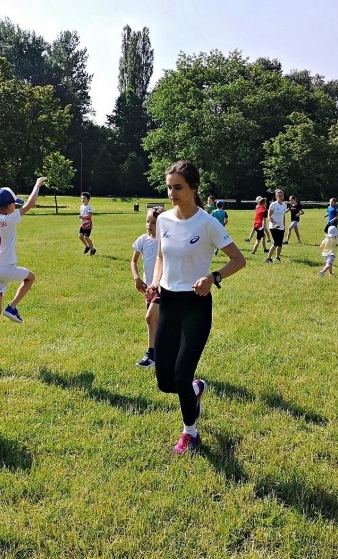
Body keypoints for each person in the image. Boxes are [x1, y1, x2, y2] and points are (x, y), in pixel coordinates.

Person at [146, 160, 246, 454]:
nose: (171, 193)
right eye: (169, 187)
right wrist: (154, 284)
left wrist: (213, 277)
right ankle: (196, 390)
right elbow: (162, 258)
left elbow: (239, 260)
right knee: (165, 381)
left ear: (193, 188)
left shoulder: (207, 223)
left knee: (181, 373)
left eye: (178, 188)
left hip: (195, 305)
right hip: (168, 301)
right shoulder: (163, 220)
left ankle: (190, 433)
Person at [0, 178, 46, 368]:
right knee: (30, 277)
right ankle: (13, 307)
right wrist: (37, 184)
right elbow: (31, 203)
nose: (15, 208)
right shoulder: (10, 218)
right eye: (14, 205)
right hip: (7, 268)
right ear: (8, 206)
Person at [131, 207, 163, 368]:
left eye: (154, 222)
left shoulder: (164, 241)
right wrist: (137, 278)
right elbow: (134, 261)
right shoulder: (143, 240)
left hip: (163, 288)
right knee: (153, 321)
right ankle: (158, 352)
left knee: (151, 318)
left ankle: (152, 354)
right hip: (147, 288)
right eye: (148, 221)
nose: (149, 225)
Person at [264, 189, 288, 263]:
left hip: (281, 227)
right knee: (276, 242)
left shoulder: (284, 205)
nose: (280, 197)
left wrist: (283, 225)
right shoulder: (273, 205)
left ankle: (277, 258)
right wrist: (274, 224)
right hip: (273, 227)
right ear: (276, 196)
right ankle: (268, 258)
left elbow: (283, 215)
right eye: (279, 196)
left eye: (282, 195)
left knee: (280, 243)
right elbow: (269, 216)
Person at [78, 191, 96, 255]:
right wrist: (82, 219)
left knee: (86, 237)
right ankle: (87, 246)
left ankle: (92, 249)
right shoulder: (81, 206)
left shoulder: (89, 207)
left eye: (84, 198)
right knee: (80, 236)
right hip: (83, 224)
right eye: (82, 198)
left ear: (88, 199)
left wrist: (83, 217)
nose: (83, 199)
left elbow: (90, 215)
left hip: (88, 224)